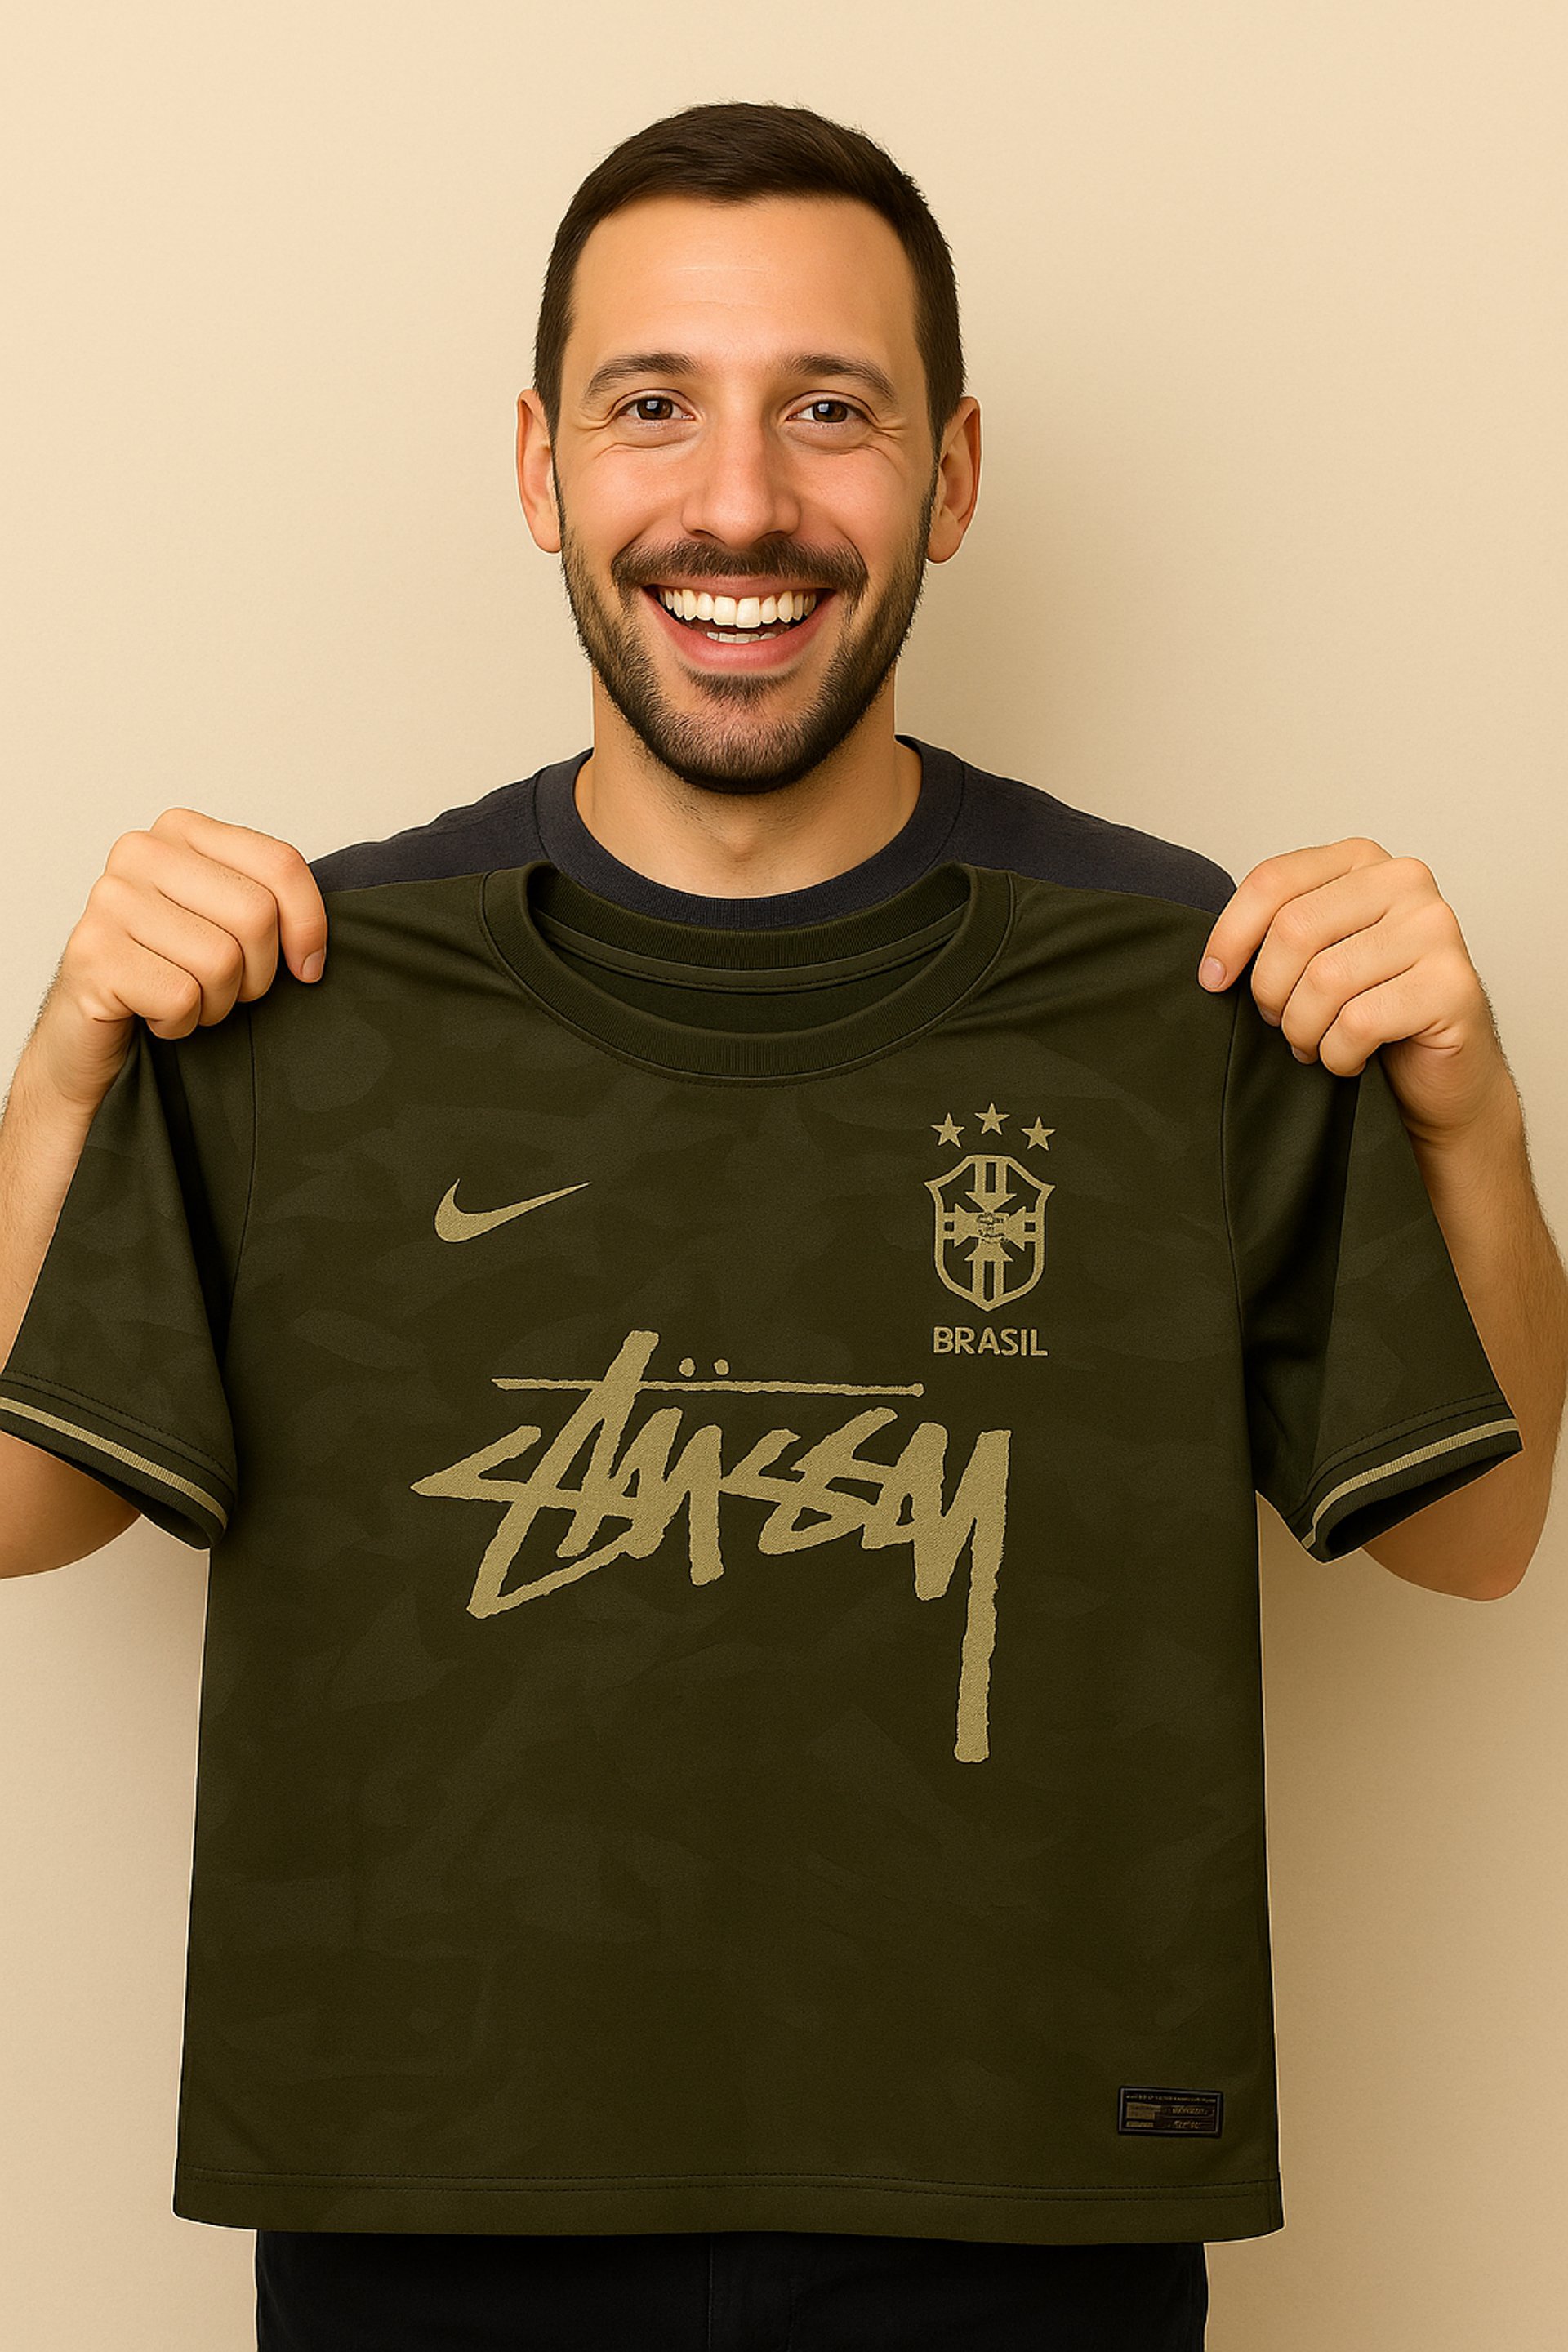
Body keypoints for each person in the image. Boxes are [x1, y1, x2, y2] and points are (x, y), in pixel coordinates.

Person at [2, 100, 1561, 2352]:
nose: (740, 500)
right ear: (542, 466)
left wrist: (1478, 1115)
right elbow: (19, 1503)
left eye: (831, 410)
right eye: (657, 408)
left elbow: (1482, 1534)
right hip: (424, 2212)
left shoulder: (1175, 978)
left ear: (952, 475)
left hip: (1028, 2217)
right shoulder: (320, 981)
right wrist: (66, 1065)